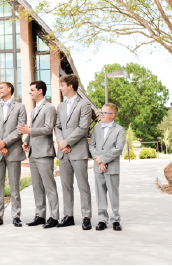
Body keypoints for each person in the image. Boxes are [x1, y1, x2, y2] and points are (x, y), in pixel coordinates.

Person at [18, 80, 60, 229]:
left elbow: (48, 129)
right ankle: (40, 215)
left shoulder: (49, 108)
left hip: (45, 152)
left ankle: (54, 217)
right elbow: (34, 129)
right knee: (37, 186)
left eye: (31, 90)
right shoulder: (35, 109)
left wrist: (29, 131)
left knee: (49, 186)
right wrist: (27, 140)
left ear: (40, 91)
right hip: (33, 152)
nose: (29, 92)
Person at [54, 74, 93, 230]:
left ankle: (86, 217)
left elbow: (83, 128)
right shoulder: (61, 106)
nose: (60, 88)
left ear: (70, 86)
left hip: (78, 151)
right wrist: (61, 142)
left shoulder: (84, 104)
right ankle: (68, 216)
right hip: (63, 152)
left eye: (62, 85)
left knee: (83, 185)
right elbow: (57, 126)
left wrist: (67, 142)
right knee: (66, 185)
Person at [0, 82, 27, 227]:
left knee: (14, 185)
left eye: (1, 87)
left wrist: (5, 142)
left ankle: (16, 216)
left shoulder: (20, 107)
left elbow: (20, 128)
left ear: (9, 89)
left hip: (13, 151)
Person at [89, 103, 126, 231]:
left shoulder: (120, 130)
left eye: (105, 113)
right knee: (100, 193)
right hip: (98, 167)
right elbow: (91, 146)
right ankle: (102, 219)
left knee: (113, 194)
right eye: (101, 112)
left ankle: (115, 219)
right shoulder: (96, 128)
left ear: (113, 115)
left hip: (112, 167)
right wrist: (99, 162)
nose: (102, 114)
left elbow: (118, 149)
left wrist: (103, 160)